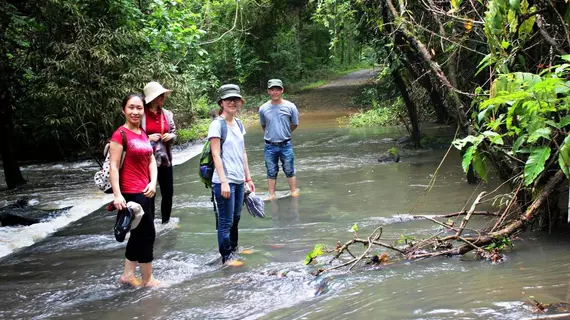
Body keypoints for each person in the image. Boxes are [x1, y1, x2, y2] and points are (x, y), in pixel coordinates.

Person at [109, 93, 159, 287]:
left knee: (139, 235)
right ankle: (148, 279)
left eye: (139, 108)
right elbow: (114, 166)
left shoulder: (143, 133)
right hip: (130, 193)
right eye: (131, 107)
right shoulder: (119, 135)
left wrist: (153, 182)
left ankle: (128, 275)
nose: (135, 112)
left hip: (146, 190)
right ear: (124, 110)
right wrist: (117, 195)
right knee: (147, 234)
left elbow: (151, 160)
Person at [208, 84, 255, 266]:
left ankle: (234, 249)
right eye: (228, 100)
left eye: (235, 99)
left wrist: (248, 178)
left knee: (236, 218)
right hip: (223, 182)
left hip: (238, 179)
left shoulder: (239, 124)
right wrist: (224, 181)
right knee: (226, 222)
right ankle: (226, 257)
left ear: (240, 102)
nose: (232, 102)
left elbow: (243, 153)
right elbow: (215, 154)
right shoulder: (217, 125)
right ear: (222, 103)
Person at [258, 79, 300, 200]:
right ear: (268, 91)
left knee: (289, 168)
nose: (275, 92)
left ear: (282, 90)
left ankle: (293, 191)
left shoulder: (290, 106)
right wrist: (273, 134)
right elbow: (264, 125)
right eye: (272, 89)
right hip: (269, 145)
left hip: (286, 144)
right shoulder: (263, 108)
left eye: (277, 89)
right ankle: (272, 194)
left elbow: (295, 124)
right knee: (271, 170)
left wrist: (284, 133)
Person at [142, 82, 176, 224]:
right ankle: (150, 224)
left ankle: (165, 223)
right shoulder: (140, 115)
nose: (163, 97)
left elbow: (174, 132)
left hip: (165, 159)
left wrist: (171, 136)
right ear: (152, 98)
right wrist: (147, 138)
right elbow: (132, 135)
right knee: (150, 194)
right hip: (146, 162)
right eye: (160, 95)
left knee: (168, 192)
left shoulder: (167, 114)